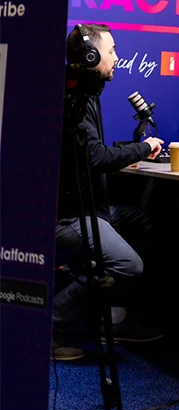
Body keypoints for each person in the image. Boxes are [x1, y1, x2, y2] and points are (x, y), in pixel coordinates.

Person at [53, 24, 165, 360]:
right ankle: (50, 322)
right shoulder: (72, 96)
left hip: (94, 209)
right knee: (128, 265)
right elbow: (94, 157)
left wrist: (130, 154)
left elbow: (91, 153)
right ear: (92, 55)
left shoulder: (88, 91)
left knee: (145, 222)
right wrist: (143, 148)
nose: (117, 57)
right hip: (70, 216)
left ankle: (114, 318)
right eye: (112, 50)